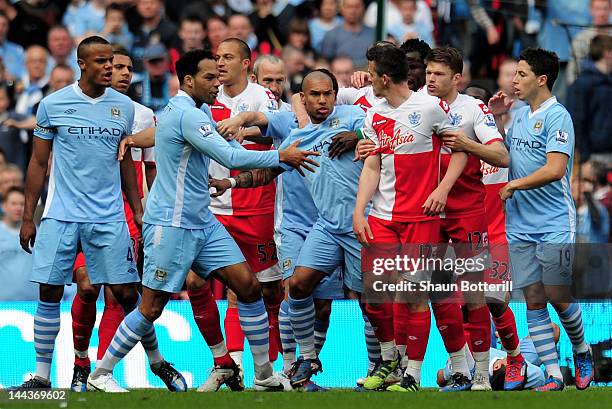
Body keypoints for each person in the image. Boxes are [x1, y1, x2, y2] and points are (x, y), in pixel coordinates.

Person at [89, 48, 317, 392]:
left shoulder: (198, 110)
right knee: (151, 307)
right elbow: (227, 156)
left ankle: (264, 374)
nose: (217, 82)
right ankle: (100, 373)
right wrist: (281, 154)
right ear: (189, 80)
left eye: (218, 75)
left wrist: (249, 130)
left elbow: (198, 136)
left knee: (248, 286)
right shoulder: (187, 114)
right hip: (172, 223)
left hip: (202, 220)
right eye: (209, 77)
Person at [13, 35, 183, 392]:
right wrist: (29, 216)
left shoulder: (125, 107)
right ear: (83, 64)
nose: (109, 67)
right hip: (61, 215)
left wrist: (137, 210)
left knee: (126, 293)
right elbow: (38, 162)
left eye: (113, 61)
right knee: (50, 290)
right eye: (102, 61)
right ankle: (43, 376)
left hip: (108, 218)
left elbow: (125, 165)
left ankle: (157, 362)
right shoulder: (52, 104)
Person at [213, 69, 366, 389]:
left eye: (327, 94)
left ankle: (371, 366)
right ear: (303, 97)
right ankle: (295, 364)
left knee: (339, 302)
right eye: (314, 94)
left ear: (336, 96)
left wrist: (359, 137)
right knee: (295, 288)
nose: (321, 100)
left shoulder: (353, 116)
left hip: (348, 222)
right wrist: (231, 173)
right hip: (299, 225)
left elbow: (380, 136)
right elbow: (266, 160)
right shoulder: (288, 125)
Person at [352, 43, 471, 392]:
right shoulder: (374, 113)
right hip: (383, 216)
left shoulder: (431, 108)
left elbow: (460, 149)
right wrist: (360, 211)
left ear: (385, 78)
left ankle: (412, 375)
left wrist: (443, 189)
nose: (369, 79)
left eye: (372, 74)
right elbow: (373, 163)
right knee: (374, 296)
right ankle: (389, 359)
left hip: (421, 217)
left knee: (413, 294)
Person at [424, 47, 527, 392]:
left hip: (475, 220)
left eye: (438, 74)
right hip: (427, 213)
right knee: (438, 294)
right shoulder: (416, 106)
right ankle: (460, 370)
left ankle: (505, 362)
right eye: (428, 73)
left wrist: (469, 142)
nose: (430, 79)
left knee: (482, 297)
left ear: (457, 79)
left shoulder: (473, 111)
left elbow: (501, 155)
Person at [493, 47, 595, 391]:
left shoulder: (557, 116)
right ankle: (553, 375)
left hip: (553, 219)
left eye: (521, 74)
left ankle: (582, 350)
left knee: (557, 292)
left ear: (541, 79)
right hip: (519, 221)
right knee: (534, 297)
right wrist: (495, 119)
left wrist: (514, 185)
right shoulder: (519, 113)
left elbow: (554, 169)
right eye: (514, 73)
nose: (513, 79)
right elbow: (507, 156)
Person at [67, 45, 158, 393]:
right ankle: (79, 360)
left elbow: (150, 168)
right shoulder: (81, 107)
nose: (121, 72)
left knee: (118, 296)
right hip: (85, 209)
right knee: (87, 286)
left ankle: (101, 373)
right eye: (114, 66)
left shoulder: (145, 115)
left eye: (127, 68)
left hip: (128, 214)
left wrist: (150, 214)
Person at [204, 38, 281, 380]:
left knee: (269, 290)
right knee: (226, 288)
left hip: (259, 205)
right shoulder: (207, 98)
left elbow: (277, 138)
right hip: (217, 207)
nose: (220, 63)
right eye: (217, 57)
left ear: (246, 64)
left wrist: (243, 129)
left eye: (228, 57)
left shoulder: (262, 98)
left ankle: (277, 364)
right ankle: (229, 362)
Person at [567, 34, 612, 164]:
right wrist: (585, 157)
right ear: (607, 53)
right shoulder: (582, 83)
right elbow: (577, 120)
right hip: (593, 155)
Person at [0, 186, 37, 301]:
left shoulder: (39, 233)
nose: (18, 208)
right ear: (4, 206)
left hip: (34, 302)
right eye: (14, 203)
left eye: (22, 204)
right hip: (3, 303)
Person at [320, 0, 375, 68]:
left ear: (363, 8)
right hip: (342, 75)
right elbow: (325, 62)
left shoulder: (374, 33)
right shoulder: (331, 35)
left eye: (357, 7)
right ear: (341, 9)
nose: (353, 11)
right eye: (349, 7)